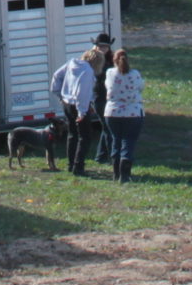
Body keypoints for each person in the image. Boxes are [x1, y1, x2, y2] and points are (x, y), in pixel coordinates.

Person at [48, 48, 98, 176]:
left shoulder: (71, 63)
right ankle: (78, 166)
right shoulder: (88, 71)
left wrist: (59, 94)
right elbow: (82, 92)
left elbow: (56, 76)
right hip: (78, 105)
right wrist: (82, 112)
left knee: (72, 134)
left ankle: (70, 164)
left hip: (67, 103)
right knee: (85, 137)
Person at [71, 31, 114, 175]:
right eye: (101, 46)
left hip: (108, 96)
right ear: (95, 46)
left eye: (106, 47)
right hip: (98, 96)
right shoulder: (92, 59)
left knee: (106, 127)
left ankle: (101, 155)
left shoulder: (111, 60)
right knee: (107, 126)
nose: (103, 49)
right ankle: (107, 156)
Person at [102, 47, 146, 182]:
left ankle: (115, 173)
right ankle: (125, 175)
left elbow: (107, 86)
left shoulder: (110, 73)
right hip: (132, 112)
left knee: (116, 140)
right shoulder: (135, 74)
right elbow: (141, 87)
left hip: (112, 112)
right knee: (128, 141)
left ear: (114, 60)